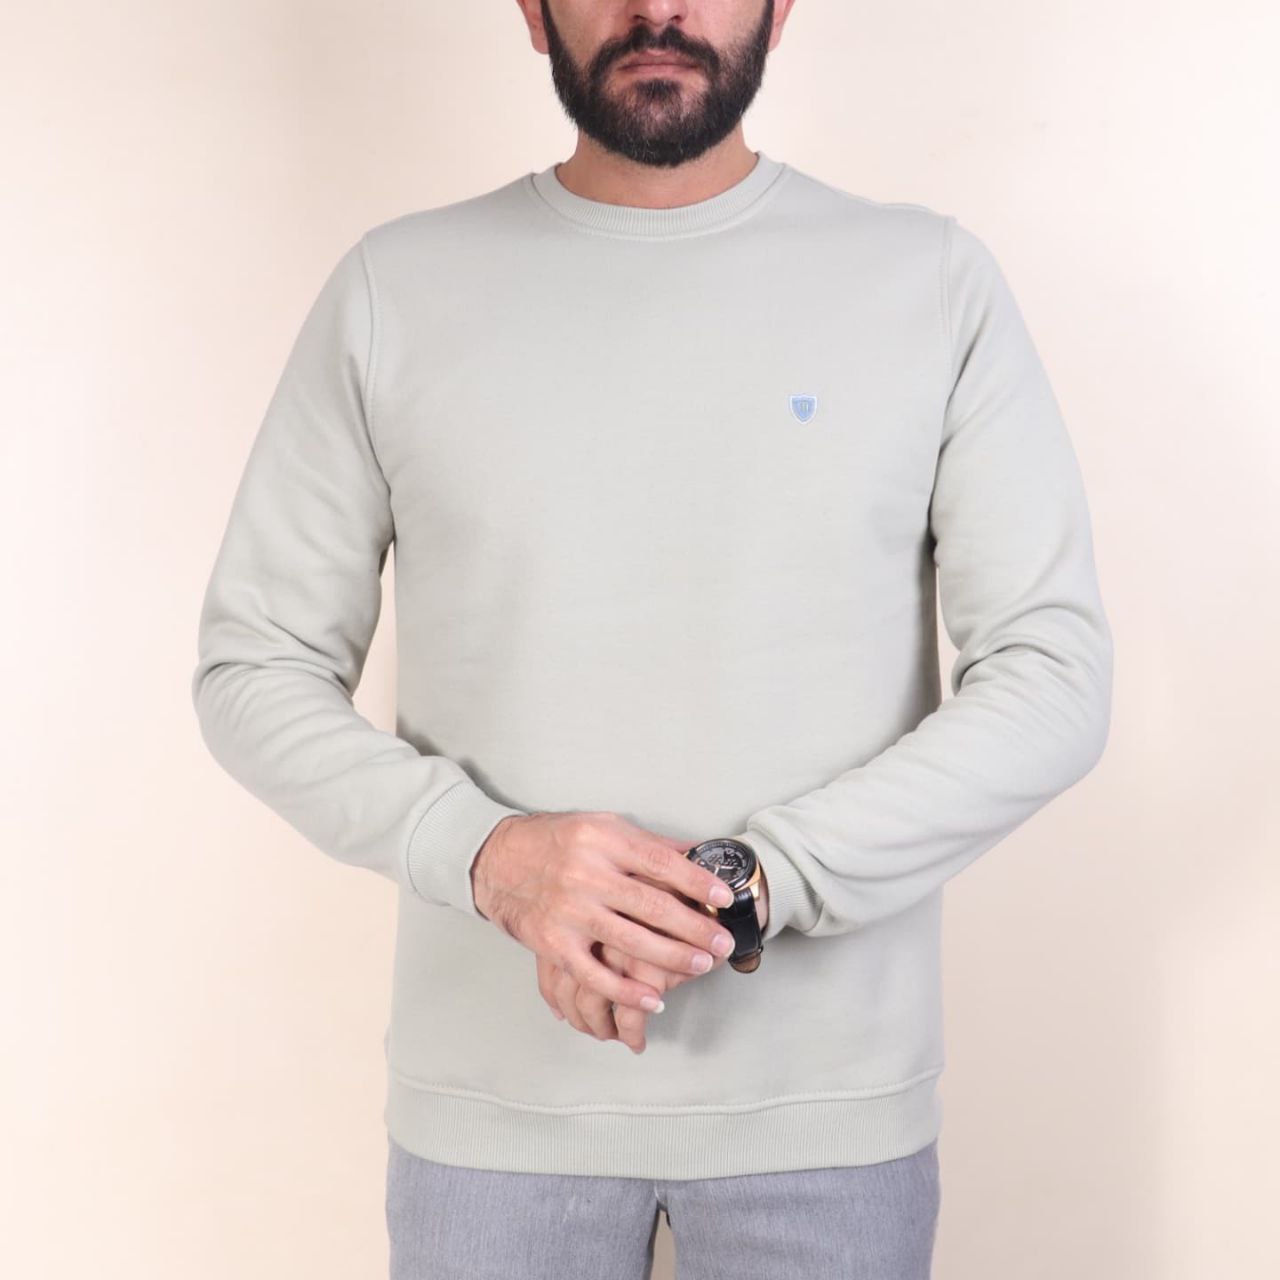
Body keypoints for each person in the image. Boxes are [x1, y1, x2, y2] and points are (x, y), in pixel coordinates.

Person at [190, 1, 1114, 1275]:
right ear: (532, 12)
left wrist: (756, 880)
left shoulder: (929, 282)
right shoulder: (391, 291)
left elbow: (1051, 675)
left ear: (780, 9)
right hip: (492, 1120)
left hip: (826, 1118)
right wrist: (492, 855)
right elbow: (254, 664)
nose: (659, 8)